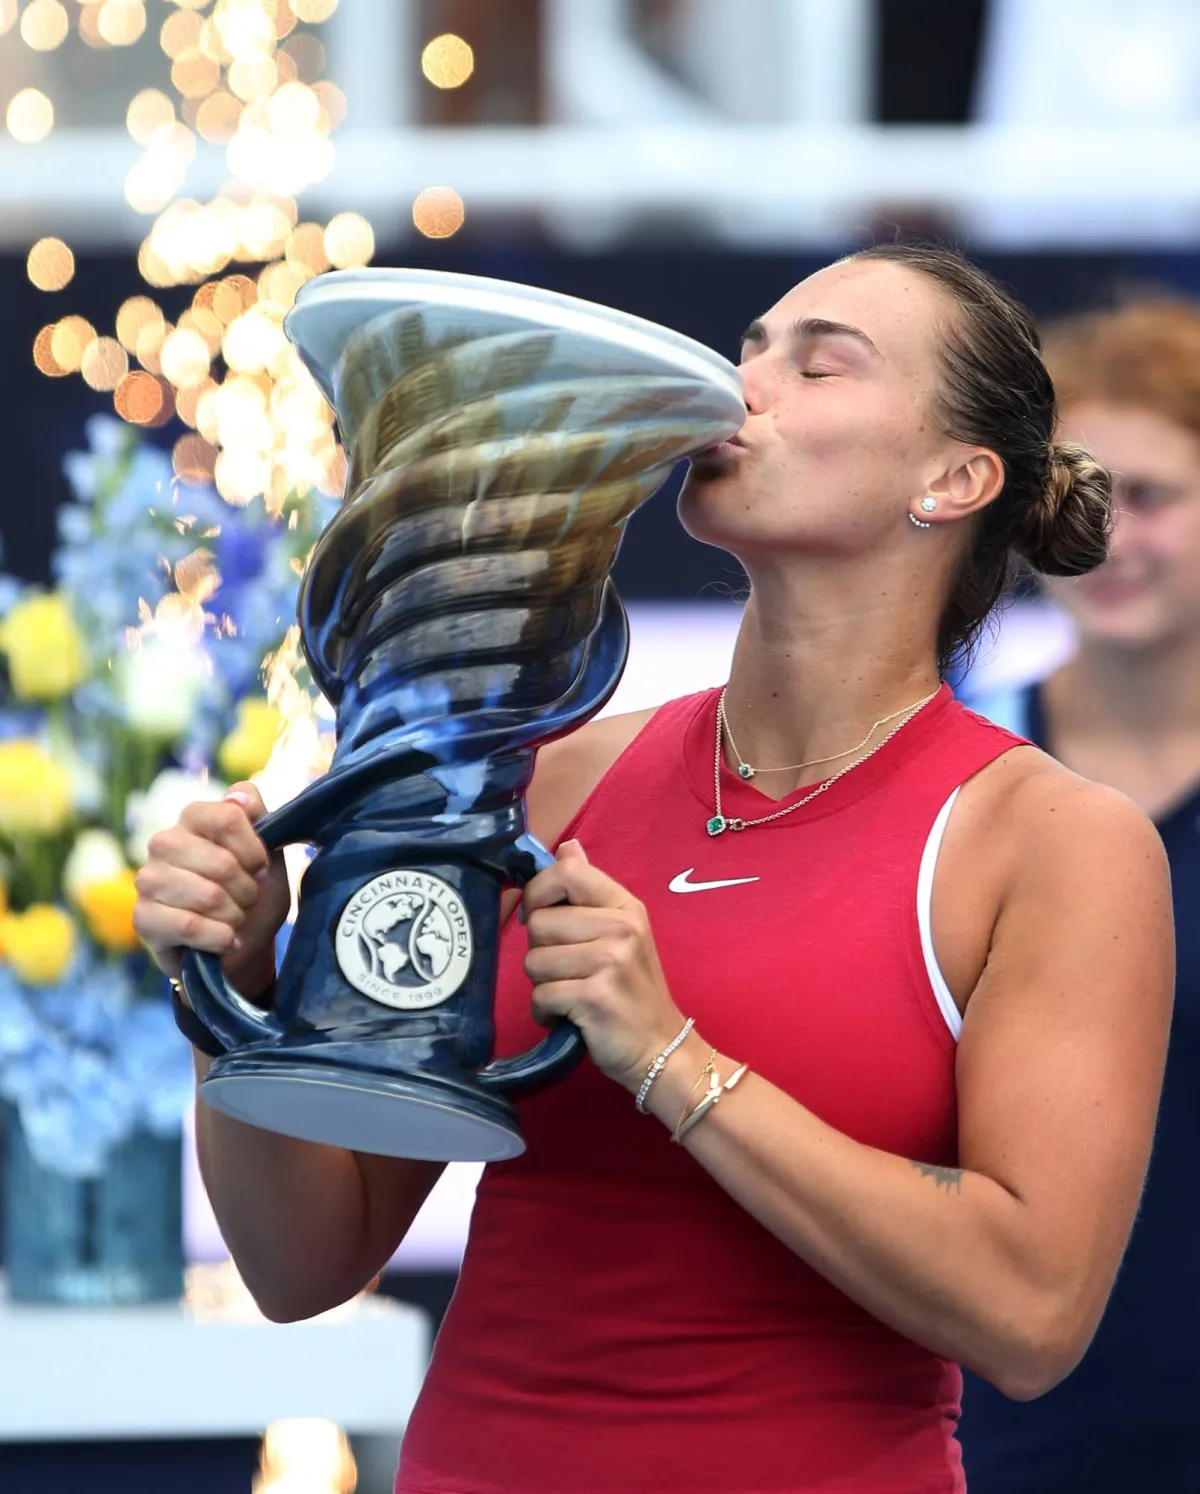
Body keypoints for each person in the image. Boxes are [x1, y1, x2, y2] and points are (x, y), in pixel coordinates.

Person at [133, 245, 1174, 1494]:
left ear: (953, 479)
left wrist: (670, 1057)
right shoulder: (548, 775)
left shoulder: (1055, 839)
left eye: (819, 366)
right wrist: (234, 986)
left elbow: (1033, 1316)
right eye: (750, 349)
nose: (742, 386)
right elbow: (303, 1265)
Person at [957, 299, 1200, 1492]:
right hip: (991, 1419)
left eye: (1149, 495)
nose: (1110, 538)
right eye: (1079, 498)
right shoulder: (956, 771)